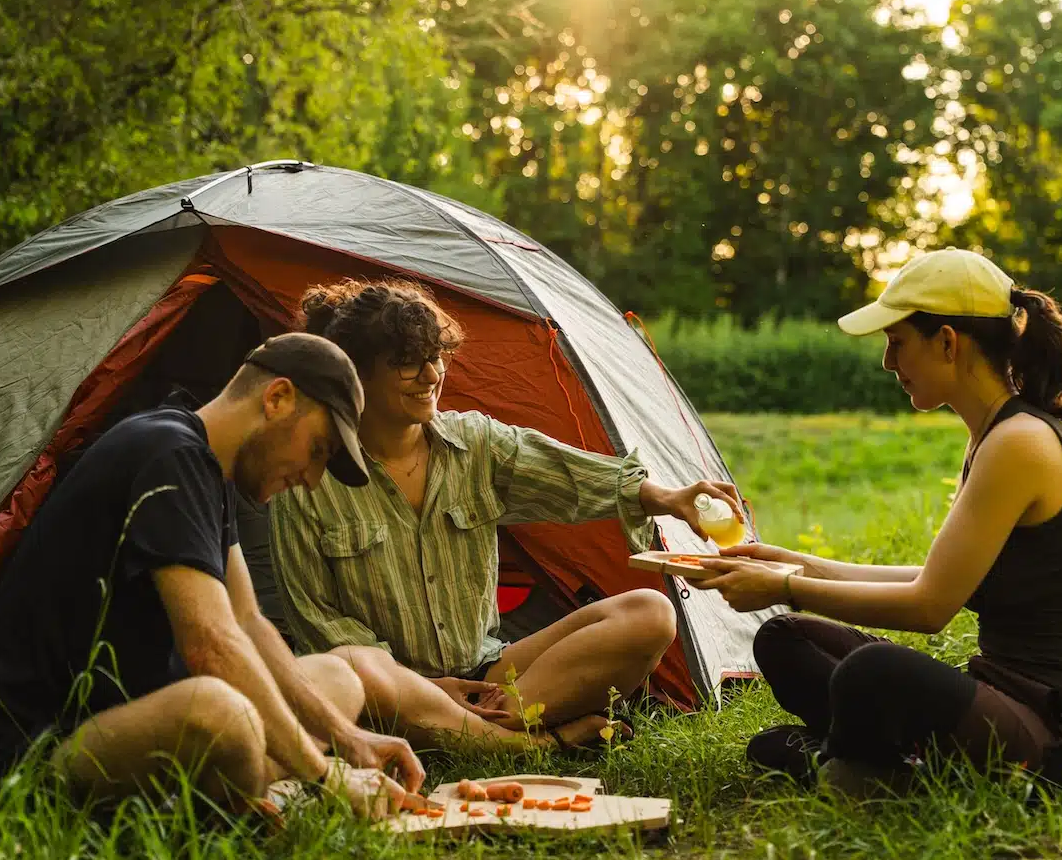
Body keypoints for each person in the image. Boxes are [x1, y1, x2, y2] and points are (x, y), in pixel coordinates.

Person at [686, 249, 1062, 796]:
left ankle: (862, 769)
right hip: (1006, 697)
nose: (888, 363)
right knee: (785, 636)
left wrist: (782, 585)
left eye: (897, 344)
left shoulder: (1020, 444)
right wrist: (788, 562)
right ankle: (869, 760)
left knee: (870, 673)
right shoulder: (992, 434)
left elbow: (929, 608)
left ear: (947, 341)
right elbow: (935, 577)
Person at [0, 332, 426, 820]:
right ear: (277, 398)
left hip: (135, 718)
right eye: (319, 449)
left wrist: (348, 738)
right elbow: (211, 644)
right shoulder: (169, 455)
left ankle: (239, 792)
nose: (311, 478)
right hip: (33, 757)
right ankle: (246, 796)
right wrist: (330, 776)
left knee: (335, 678)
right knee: (221, 712)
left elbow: (247, 620)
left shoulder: (204, 467)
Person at [269, 279, 743, 751]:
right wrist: (423, 691)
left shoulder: (474, 444)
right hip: (386, 691)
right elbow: (322, 624)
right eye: (407, 364)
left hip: (488, 674)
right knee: (349, 677)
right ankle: (534, 741)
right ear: (356, 374)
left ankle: (473, 733)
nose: (432, 375)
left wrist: (670, 497)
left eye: (436, 357)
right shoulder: (309, 477)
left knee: (651, 613)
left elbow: (569, 474)